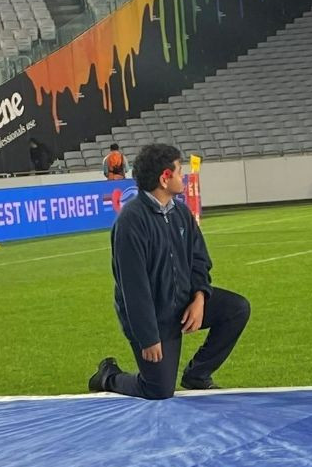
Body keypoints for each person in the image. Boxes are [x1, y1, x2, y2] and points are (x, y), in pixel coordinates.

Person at [89, 144, 250, 400]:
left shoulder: (181, 213)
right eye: (179, 171)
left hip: (184, 302)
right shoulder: (131, 222)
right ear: (165, 178)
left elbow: (199, 260)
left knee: (237, 308)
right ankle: (108, 375)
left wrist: (200, 297)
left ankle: (197, 374)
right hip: (154, 317)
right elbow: (133, 287)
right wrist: (148, 338)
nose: (182, 176)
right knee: (158, 390)